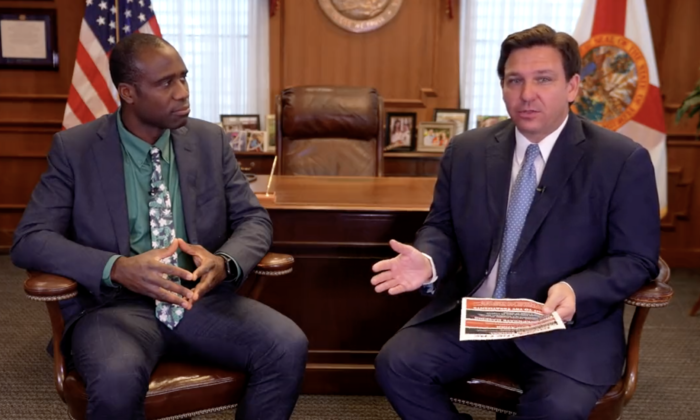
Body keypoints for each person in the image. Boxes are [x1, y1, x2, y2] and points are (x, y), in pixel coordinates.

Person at [11, 34, 307, 420]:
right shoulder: (76, 149)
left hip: (199, 300)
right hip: (115, 309)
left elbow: (253, 219)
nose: (182, 92)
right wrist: (117, 267)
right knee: (116, 378)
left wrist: (224, 261)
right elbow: (30, 240)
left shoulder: (209, 141)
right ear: (128, 93)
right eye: (166, 83)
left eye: (184, 78)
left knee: (287, 344)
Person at [371, 24, 659, 420]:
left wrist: (580, 290)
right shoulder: (466, 150)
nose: (527, 94)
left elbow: (636, 257)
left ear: (572, 86)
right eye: (514, 80)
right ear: (503, 86)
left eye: (543, 79)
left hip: (564, 329)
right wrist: (429, 260)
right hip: (481, 316)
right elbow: (442, 227)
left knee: (554, 407)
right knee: (397, 364)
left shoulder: (621, 160)